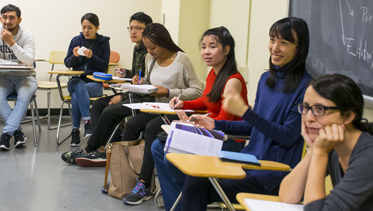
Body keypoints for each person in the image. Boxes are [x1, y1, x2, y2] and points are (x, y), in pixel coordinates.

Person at [158, 17, 313, 211]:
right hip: (247, 163)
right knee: (192, 178)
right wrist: (215, 124)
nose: (275, 48)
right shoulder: (267, 80)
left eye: (284, 43)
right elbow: (253, 127)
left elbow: (288, 137)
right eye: (272, 40)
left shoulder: (307, 88)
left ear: (300, 48)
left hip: (271, 174)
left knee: (196, 185)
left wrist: (246, 112)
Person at [149, 26, 248, 208]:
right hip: (213, 135)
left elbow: (222, 123)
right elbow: (207, 100)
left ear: (227, 50)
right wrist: (184, 104)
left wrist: (192, 125)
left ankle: (195, 194)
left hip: (229, 141)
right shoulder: (214, 73)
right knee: (157, 146)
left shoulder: (233, 80)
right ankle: (181, 204)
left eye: (212, 46)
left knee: (169, 151)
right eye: (203, 47)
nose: (206, 52)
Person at [106, 23, 203, 204]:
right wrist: (140, 81)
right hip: (156, 108)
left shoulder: (182, 60)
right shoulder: (150, 60)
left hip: (177, 111)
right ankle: (124, 178)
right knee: (133, 124)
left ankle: (145, 184)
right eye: (147, 48)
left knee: (151, 128)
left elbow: (197, 91)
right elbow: (150, 83)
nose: (149, 51)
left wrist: (168, 92)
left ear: (164, 42)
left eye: (153, 47)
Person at [61, 12, 154, 164]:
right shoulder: (137, 48)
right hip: (82, 81)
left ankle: (89, 148)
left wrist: (123, 96)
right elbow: (141, 76)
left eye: (138, 28)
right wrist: (128, 73)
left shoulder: (149, 51)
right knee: (96, 103)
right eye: (130, 28)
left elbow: (149, 82)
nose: (133, 31)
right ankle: (100, 147)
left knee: (107, 108)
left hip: (140, 97)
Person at [279, 74, 373, 210]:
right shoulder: (332, 144)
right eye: (306, 108)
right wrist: (313, 150)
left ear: (347, 116)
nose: (308, 117)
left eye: (319, 109)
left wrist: (320, 152)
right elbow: (288, 196)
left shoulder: (368, 156)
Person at [0, 4, 36, 150]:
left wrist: (12, 43)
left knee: (25, 96)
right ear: (0, 18)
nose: (7, 21)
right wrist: (15, 64)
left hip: (26, 77)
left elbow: (29, 61)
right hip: (3, 77)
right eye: (5, 17)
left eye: (12, 18)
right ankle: (18, 132)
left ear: (19, 20)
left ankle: (6, 134)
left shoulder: (27, 36)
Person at [64, 13, 110, 146]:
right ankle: (88, 123)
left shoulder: (103, 42)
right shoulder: (75, 40)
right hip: (76, 81)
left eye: (89, 27)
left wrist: (92, 56)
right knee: (78, 85)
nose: (86, 31)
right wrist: (75, 56)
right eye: (83, 27)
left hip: (94, 83)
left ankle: (75, 130)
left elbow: (104, 66)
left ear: (97, 27)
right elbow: (67, 63)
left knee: (76, 95)